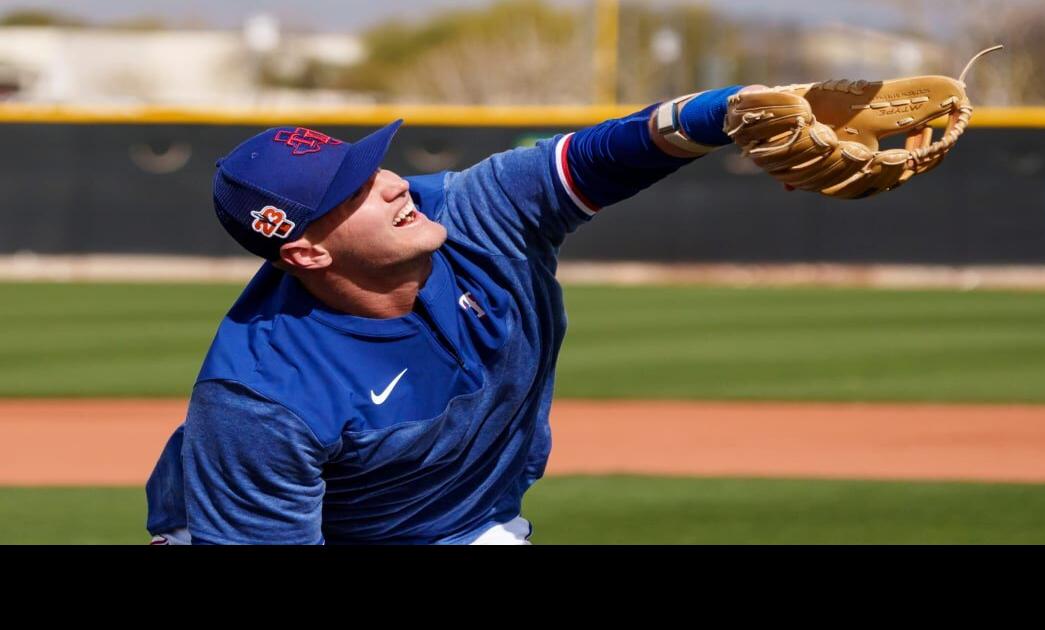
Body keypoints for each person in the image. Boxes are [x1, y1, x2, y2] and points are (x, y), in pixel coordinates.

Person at [145, 85, 750, 544]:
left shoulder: (467, 212)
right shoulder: (260, 400)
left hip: (464, 522)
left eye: (371, 165)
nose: (392, 185)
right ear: (307, 252)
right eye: (352, 193)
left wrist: (729, 111)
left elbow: (604, 154)